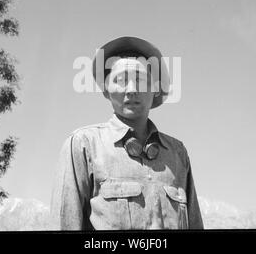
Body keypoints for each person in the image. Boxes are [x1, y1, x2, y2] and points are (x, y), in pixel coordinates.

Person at [50, 36, 203, 230]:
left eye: (140, 80)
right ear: (106, 91)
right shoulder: (83, 145)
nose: (131, 90)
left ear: (155, 88)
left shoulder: (177, 153)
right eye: (120, 80)